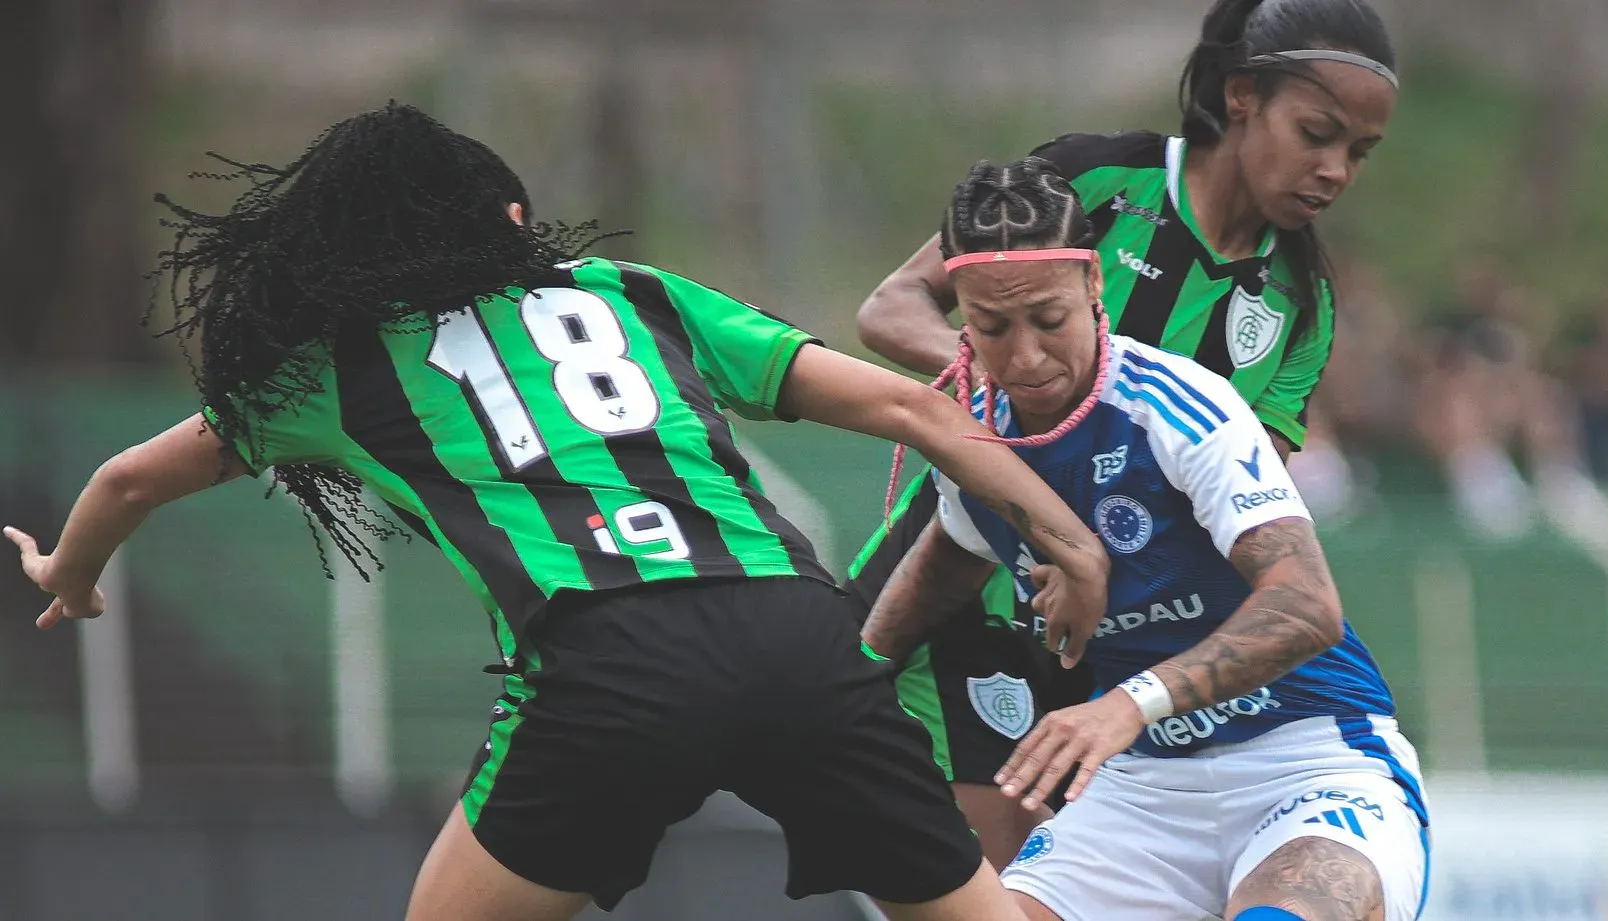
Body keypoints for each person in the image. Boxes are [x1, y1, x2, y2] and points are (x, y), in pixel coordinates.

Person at [3, 103, 1115, 921]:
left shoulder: (334, 369)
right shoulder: (625, 292)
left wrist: (70, 574)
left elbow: (124, 481)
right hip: (798, 635)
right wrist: (1066, 538)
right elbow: (905, 406)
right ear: (512, 216)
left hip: (606, 660)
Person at [845, 0, 1400, 867]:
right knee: (972, 878)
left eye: (1358, 153)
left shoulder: (1302, 303)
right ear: (1243, 96)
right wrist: (1008, 367)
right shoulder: (1096, 180)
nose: (1333, 170)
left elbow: (1237, 514)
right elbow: (891, 306)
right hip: (970, 582)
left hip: (1112, 641)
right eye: (1316, 133)